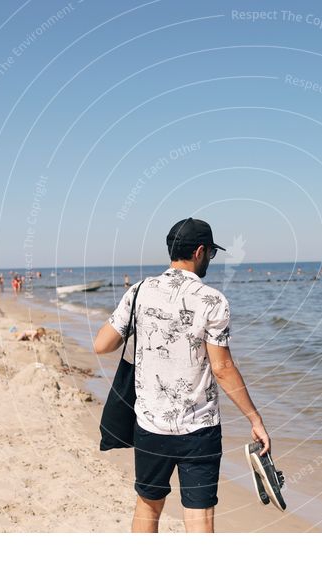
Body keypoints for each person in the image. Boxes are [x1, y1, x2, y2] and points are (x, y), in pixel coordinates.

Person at [93, 217, 270, 534]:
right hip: (199, 430)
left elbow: (101, 344)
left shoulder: (139, 292)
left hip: (150, 425)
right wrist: (255, 420)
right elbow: (222, 368)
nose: (210, 260)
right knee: (199, 517)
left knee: (148, 506)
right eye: (211, 254)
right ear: (201, 251)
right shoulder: (212, 301)